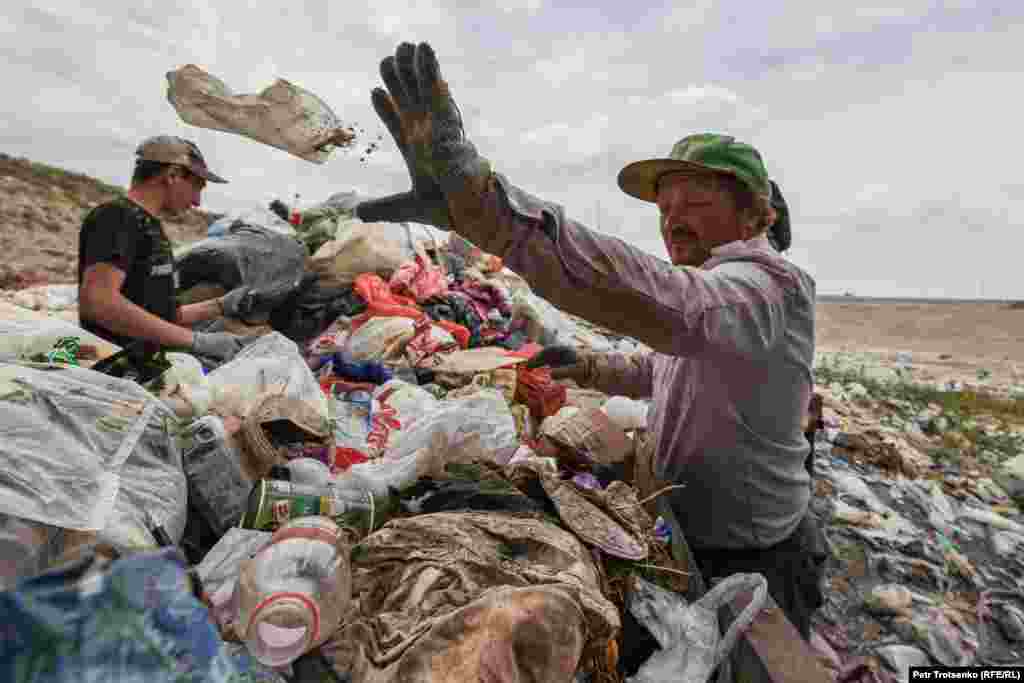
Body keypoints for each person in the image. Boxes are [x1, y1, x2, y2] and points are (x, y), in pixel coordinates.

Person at [353, 42, 826, 638]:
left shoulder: (767, 287)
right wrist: (591, 366)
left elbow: (676, 308)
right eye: (665, 207)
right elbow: (669, 366)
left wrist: (495, 217)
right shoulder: (721, 295)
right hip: (687, 525)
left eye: (697, 203)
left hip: (752, 556)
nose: (673, 220)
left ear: (756, 216)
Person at [77, 136, 253, 364]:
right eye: (197, 187)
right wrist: (197, 341)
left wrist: (220, 305)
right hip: (114, 369)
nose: (197, 201)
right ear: (172, 175)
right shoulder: (118, 217)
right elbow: (99, 302)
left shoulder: (150, 227)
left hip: (143, 367)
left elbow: (160, 316)